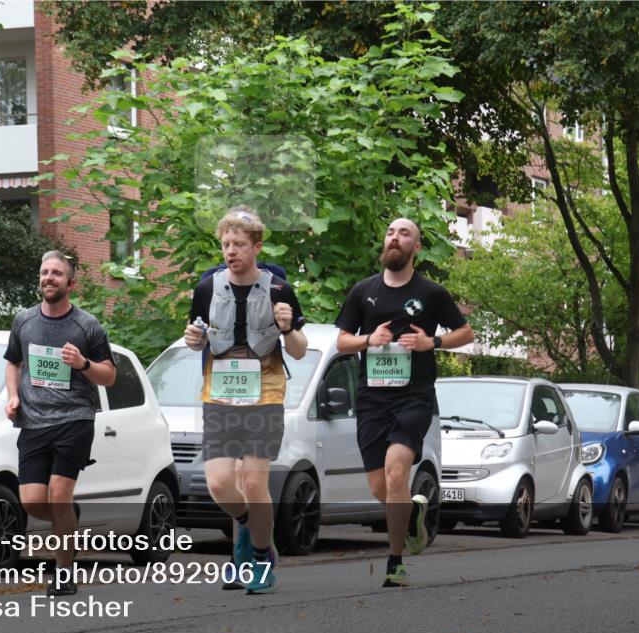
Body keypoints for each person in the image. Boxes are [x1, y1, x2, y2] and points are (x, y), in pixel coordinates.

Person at [334, 218, 474, 587]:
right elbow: (342, 342)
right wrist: (368, 340)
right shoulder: (363, 292)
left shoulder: (431, 294)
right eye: (391, 232)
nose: (395, 238)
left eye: (404, 234)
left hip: (414, 396)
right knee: (382, 490)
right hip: (371, 400)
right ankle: (411, 513)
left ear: (417, 248)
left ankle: (394, 562)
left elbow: (466, 332)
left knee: (398, 471)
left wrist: (434, 343)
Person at [184, 206, 307, 594]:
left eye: (238, 244)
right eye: (225, 244)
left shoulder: (279, 289)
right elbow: (196, 335)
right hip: (219, 391)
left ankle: (258, 553)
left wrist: (288, 328)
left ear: (257, 246)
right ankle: (254, 531)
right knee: (220, 483)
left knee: (254, 483)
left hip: (265, 389)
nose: (230, 251)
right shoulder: (207, 288)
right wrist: (193, 339)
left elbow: (301, 350)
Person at [4, 250, 117, 596]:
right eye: (44, 272)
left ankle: (63, 572)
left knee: (57, 494)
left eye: (56, 273)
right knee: (33, 502)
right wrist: (13, 396)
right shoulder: (24, 321)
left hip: (75, 419)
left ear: (70, 283)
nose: (48, 278)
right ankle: (68, 516)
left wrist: (83, 363)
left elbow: (109, 376)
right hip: (33, 422)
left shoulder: (86, 325)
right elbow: (13, 362)